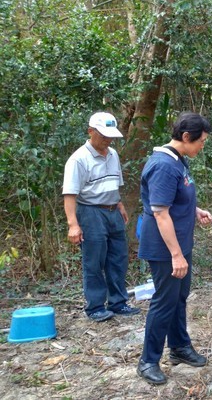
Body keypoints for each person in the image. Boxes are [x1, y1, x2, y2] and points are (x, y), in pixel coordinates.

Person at [137, 112, 212, 385]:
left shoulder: (178, 161)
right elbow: (159, 213)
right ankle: (148, 361)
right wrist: (176, 255)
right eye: (201, 141)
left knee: (178, 298)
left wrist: (195, 210)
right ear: (185, 137)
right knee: (164, 301)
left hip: (181, 243)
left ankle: (179, 347)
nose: (202, 146)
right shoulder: (163, 166)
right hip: (165, 249)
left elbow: (174, 200)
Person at [62, 112, 140, 322]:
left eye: (110, 136)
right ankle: (95, 306)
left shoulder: (112, 154)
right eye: (103, 135)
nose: (107, 140)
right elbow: (70, 194)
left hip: (113, 210)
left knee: (118, 258)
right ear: (90, 131)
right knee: (94, 260)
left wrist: (120, 204)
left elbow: (115, 182)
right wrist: (73, 225)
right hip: (91, 212)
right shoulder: (78, 159)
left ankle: (118, 302)